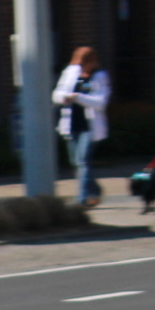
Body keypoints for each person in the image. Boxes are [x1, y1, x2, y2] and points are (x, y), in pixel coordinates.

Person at [49, 46, 110, 210]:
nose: (81, 68)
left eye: (84, 65)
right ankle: (95, 190)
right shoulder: (70, 72)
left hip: (90, 126)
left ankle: (81, 199)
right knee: (76, 162)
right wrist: (65, 98)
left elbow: (101, 102)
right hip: (71, 124)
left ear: (92, 63)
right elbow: (56, 94)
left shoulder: (100, 76)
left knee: (83, 161)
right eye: (78, 65)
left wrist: (78, 97)